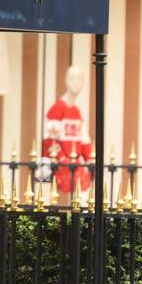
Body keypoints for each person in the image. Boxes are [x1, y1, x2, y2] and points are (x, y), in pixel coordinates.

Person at [43, 65, 93, 197]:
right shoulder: (57, 109)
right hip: (61, 167)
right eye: (72, 78)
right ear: (66, 80)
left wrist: (90, 161)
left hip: (75, 167)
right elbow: (49, 141)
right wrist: (63, 160)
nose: (76, 82)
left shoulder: (76, 111)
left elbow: (84, 140)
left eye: (80, 79)